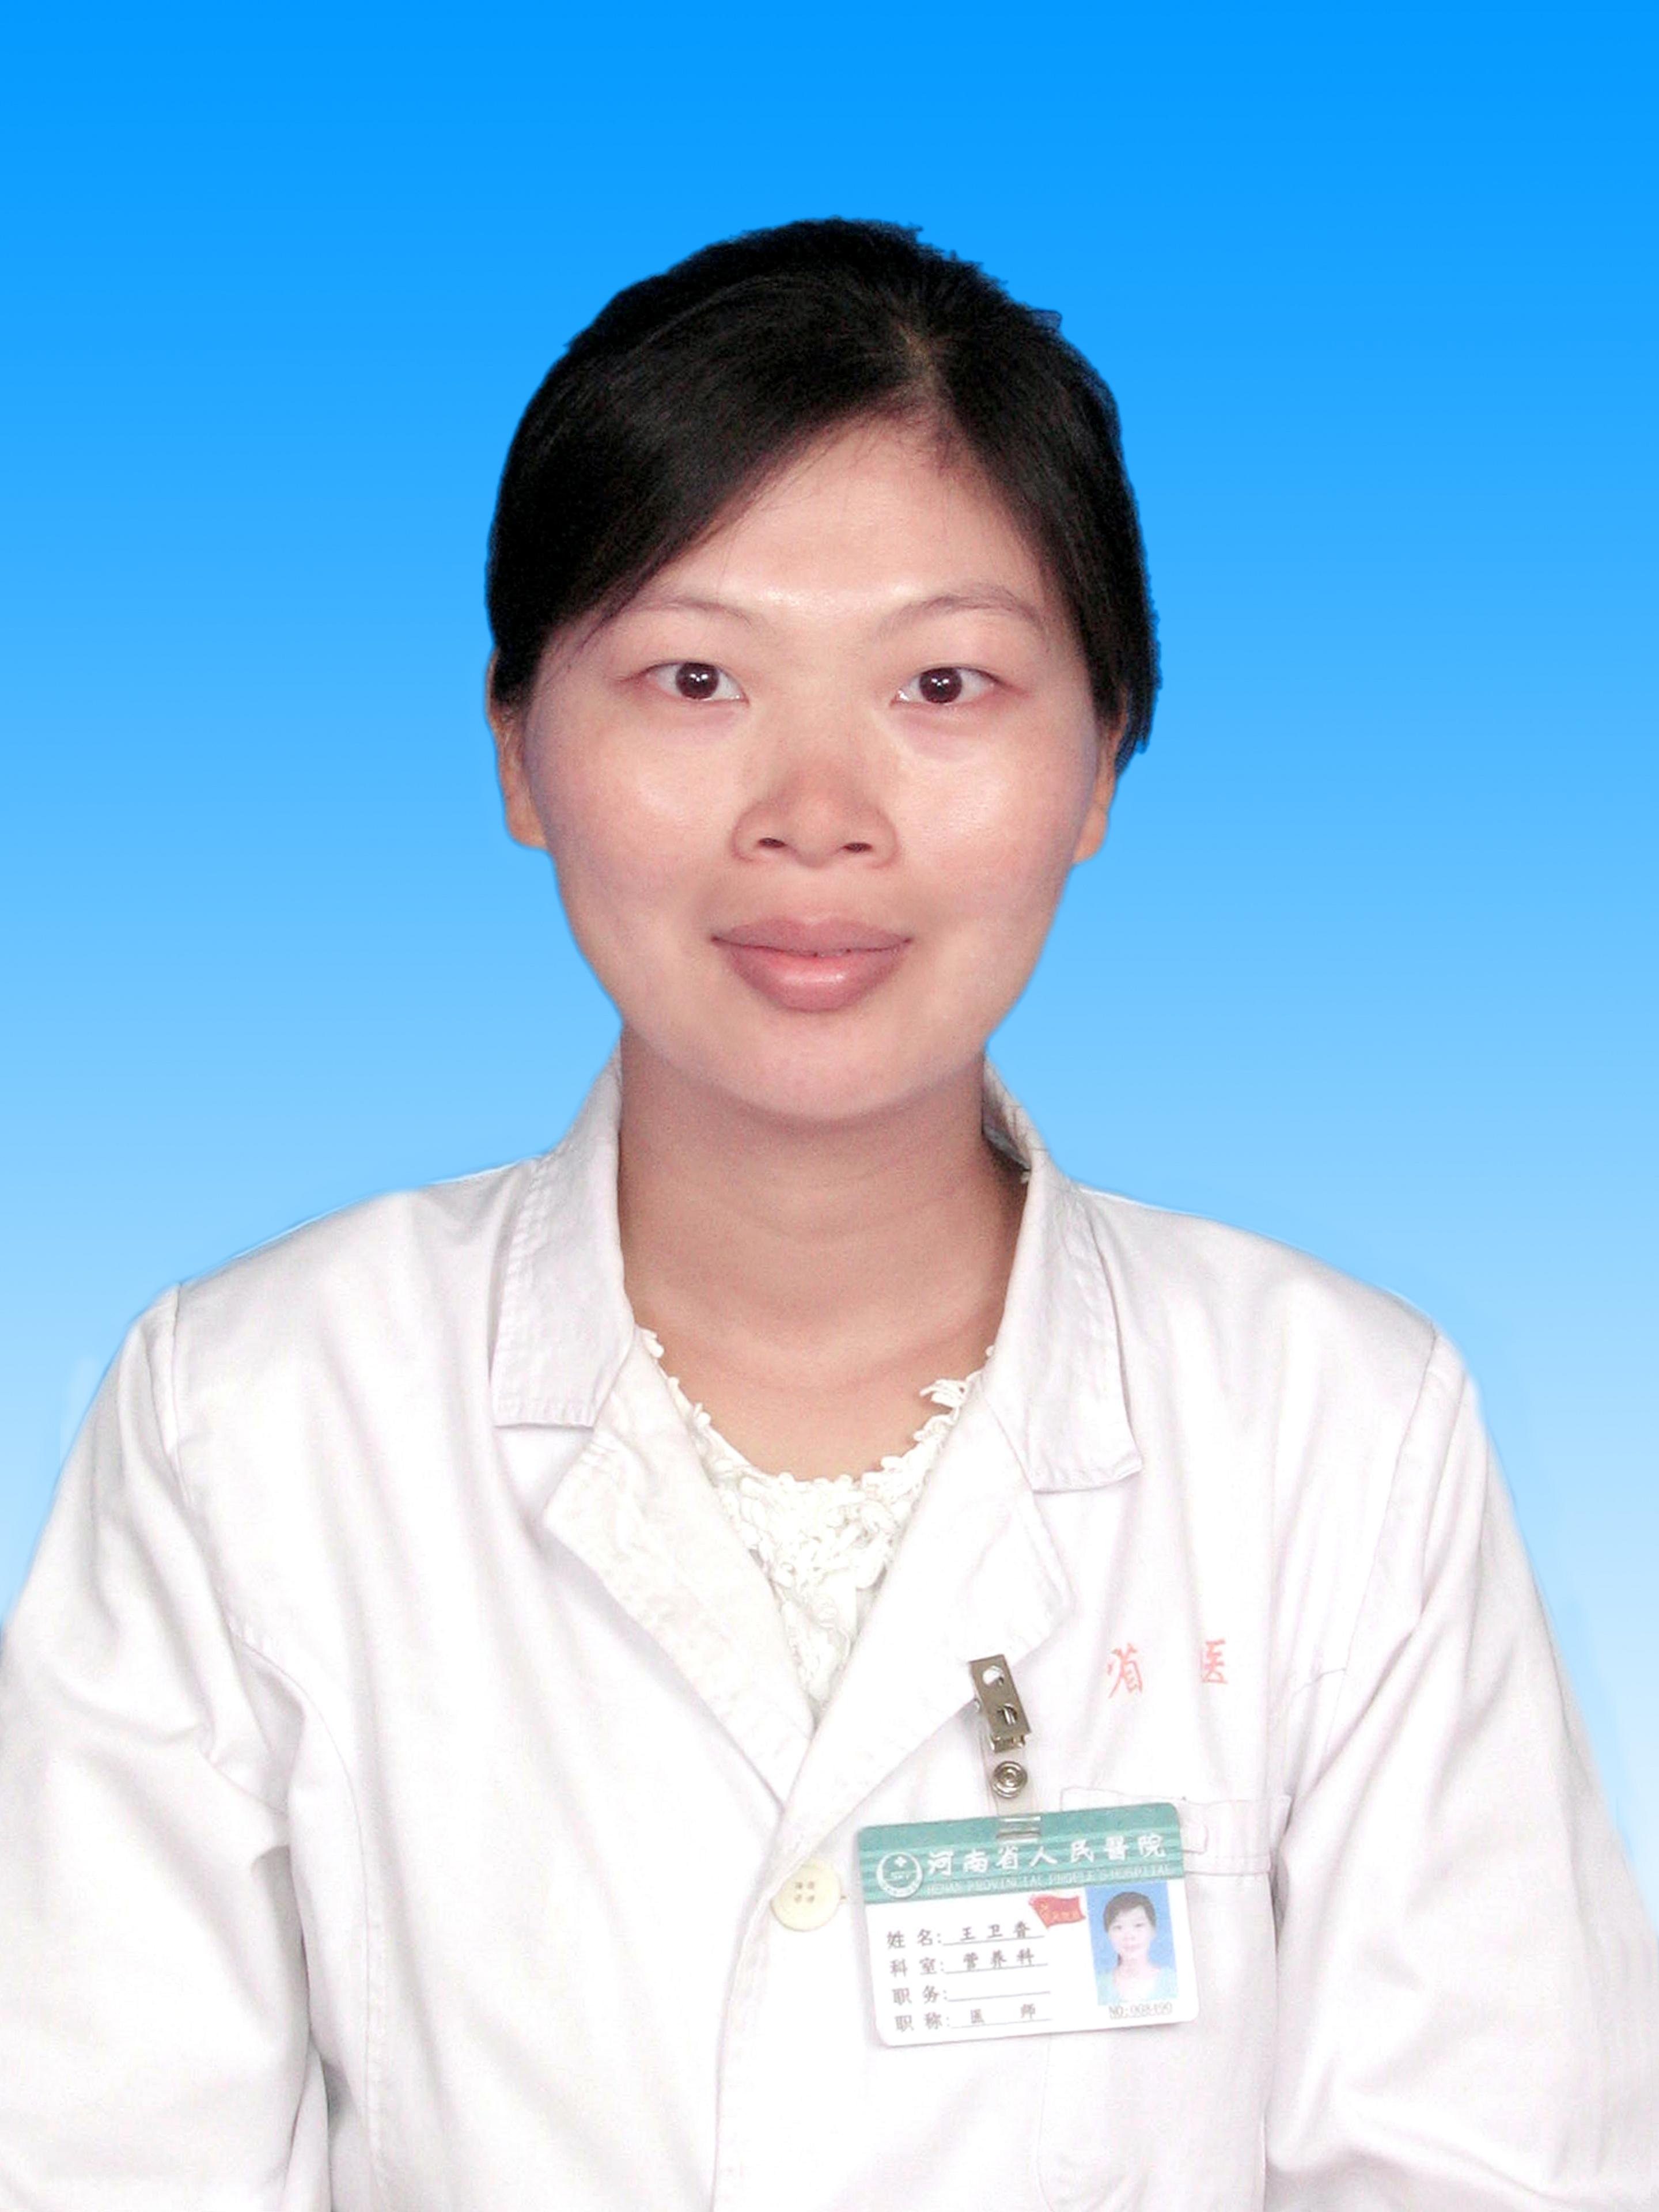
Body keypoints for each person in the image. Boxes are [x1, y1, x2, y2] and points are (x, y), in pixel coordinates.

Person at [0, 217, 1654, 2210]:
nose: (816, 810)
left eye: (944, 682)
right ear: (517, 745)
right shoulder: (251, 1420)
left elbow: (1493, 2163)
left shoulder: (1335, 1431)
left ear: (1103, 755)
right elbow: (95, 2155)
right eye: (695, 676)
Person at [1098, 1891, 1178, 2008]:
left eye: (1138, 1925)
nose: (1129, 1936)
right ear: (1108, 1934)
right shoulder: (1099, 1987)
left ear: (1153, 1930)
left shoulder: (1173, 1982)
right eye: (1118, 1927)